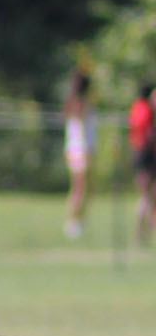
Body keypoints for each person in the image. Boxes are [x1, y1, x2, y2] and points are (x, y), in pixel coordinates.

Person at [62, 70, 97, 239]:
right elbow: (82, 128)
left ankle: (78, 221)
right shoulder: (81, 104)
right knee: (80, 189)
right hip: (81, 149)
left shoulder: (72, 102)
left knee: (80, 188)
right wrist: (86, 151)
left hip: (74, 148)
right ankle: (74, 222)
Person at [131, 81, 154, 247]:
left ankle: (141, 234)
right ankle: (141, 234)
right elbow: (148, 136)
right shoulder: (146, 110)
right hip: (147, 155)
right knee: (147, 197)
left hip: (139, 153)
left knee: (146, 197)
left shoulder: (137, 107)